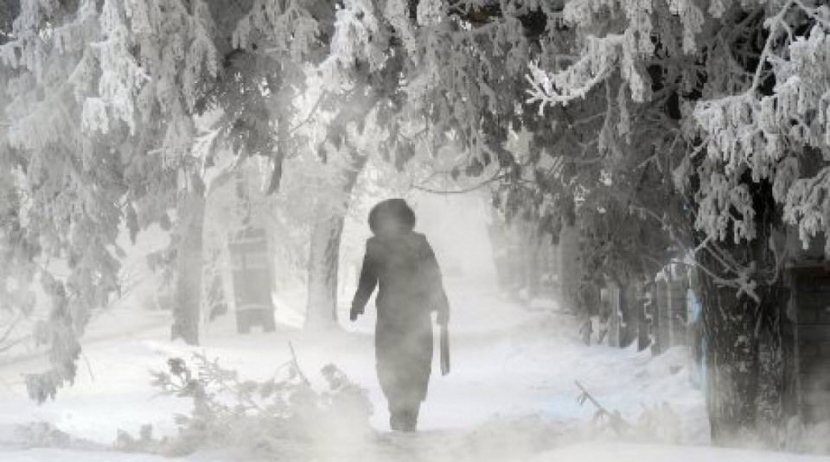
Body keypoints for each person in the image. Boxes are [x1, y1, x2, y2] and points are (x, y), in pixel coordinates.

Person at [350, 198, 450, 432]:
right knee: (417, 362)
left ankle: (397, 408)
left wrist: (358, 303)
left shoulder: (376, 245)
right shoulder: (419, 242)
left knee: (389, 360)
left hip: (390, 316)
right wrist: (441, 305)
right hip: (416, 313)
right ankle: (409, 412)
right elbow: (433, 276)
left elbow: (367, 279)